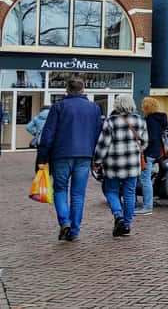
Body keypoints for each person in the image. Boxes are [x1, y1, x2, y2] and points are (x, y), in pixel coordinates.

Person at [37, 78, 102, 242]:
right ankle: (74, 230)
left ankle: (64, 222)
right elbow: (97, 134)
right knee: (78, 194)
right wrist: (95, 157)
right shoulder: (94, 109)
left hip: (61, 154)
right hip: (85, 155)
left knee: (60, 189)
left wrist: (42, 158)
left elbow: (48, 134)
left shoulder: (58, 107)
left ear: (67, 89)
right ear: (83, 89)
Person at [93, 95, 148, 237]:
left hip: (113, 164)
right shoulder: (140, 120)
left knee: (111, 191)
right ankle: (127, 225)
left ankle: (118, 216)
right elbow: (145, 142)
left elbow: (103, 144)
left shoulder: (110, 121)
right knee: (129, 193)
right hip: (132, 164)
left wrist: (97, 161)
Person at [137, 97, 168, 215]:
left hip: (149, 152)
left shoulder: (150, 121)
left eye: (143, 105)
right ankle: (148, 200)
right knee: (147, 178)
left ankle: (147, 206)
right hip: (157, 152)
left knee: (145, 179)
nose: (141, 107)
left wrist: (142, 148)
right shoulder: (159, 119)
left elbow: (151, 138)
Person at [27, 105, 51, 172]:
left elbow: (28, 127)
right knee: (50, 156)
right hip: (50, 140)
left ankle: (38, 172)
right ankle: (48, 172)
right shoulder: (52, 117)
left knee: (39, 157)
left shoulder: (37, 118)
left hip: (40, 141)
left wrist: (35, 134)